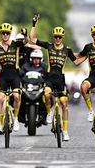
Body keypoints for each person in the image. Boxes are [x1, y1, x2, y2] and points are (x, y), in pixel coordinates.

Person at [29, 13, 76, 141]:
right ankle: (49, 113)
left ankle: (65, 131)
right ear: (53, 37)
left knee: (64, 104)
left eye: (60, 37)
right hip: (50, 78)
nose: (57, 39)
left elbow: (77, 61)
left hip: (61, 79)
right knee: (46, 94)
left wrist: (89, 54)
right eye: (56, 37)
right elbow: (32, 39)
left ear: (63, 38)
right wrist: (34, 24)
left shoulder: (67, 50)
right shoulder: (49, 46)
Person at [0, 22, 26, 134]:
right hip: (3, 75)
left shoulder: (16, 44)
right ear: (0, 34)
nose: (5, 35)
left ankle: (16, 118)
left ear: (10, 34)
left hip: (15, 75)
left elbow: (26, 42)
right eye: (3, 33)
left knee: (16, 96)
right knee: (0, 99)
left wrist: (25, 35)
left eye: (7, 33)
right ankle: (0, 125)